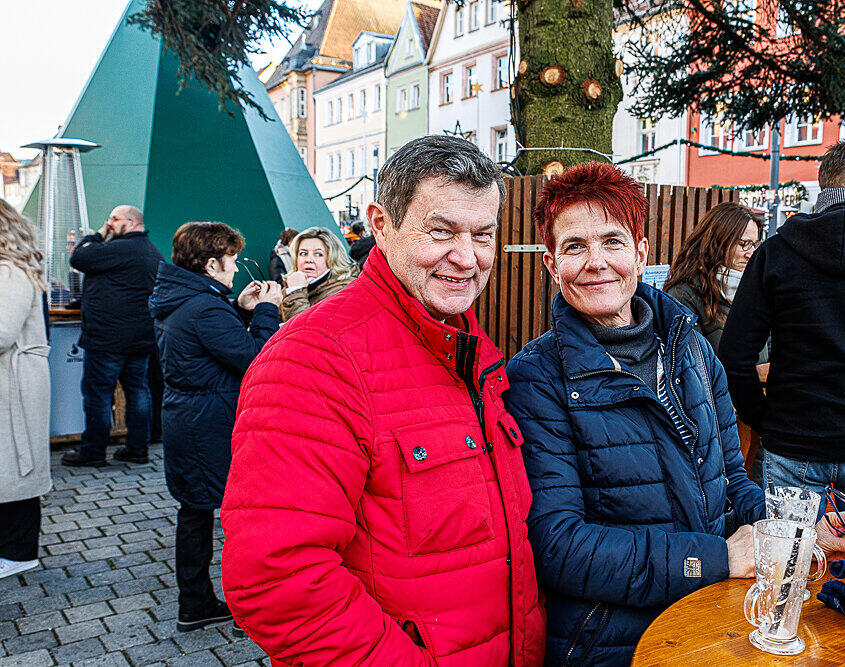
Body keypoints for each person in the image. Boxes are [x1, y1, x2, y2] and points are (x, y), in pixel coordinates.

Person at [505, 162, 845, 665]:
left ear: (640, 252)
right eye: (574, 247)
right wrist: (717, 559)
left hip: (711, 617)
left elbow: (732, 488)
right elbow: (560, 548)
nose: (596, 262)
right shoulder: (536, 378)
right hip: (613, 639)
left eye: (612, 241)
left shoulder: (691, 347)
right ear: (550, 264)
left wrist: (806, 535)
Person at [220, 135, 545, 666]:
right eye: (440, 231)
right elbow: (277, 577)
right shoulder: (316, 358)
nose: (466, 258)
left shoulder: (469, 351)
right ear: (381, 225)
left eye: (483, 235)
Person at [719, 139, 845, 517]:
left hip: (794, 439)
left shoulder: (776, 252)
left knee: (788, 566)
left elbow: (733, 357)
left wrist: (766, 420)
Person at [148, 222, 281, 632]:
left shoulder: (183, 296)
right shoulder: (203, 306)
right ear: (210, 264)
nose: (236, 268)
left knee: (195, 509)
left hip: (187, 417)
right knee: (233, 514)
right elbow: (255, 359)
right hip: (208, 421)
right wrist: (266, 311)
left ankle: (196, 601)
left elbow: (209, 342)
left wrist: (239, 307)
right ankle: (240, 604)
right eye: (232, 261)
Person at [63, 205, 164, 466]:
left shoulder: (121, 248)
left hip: (107, 339)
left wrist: (97, 234)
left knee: (98, 395)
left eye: (113, 219)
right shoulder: (151, 251)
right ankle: (137, 449)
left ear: (130, 223)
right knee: (138, 392)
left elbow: (79, 258)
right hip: (140, 339)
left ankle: (93, 452)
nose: (109, 223)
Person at [0, 199, 51, 579]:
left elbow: (2, 331)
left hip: (14, 381)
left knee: (17, 463)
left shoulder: (11, 271)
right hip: (9, 379)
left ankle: (19, 552)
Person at [664, 202, 763, 352]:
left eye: (754, 245)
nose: (751, 253)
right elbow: (693, 365)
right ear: (717, 242)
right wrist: (754, 373)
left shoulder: (756, 287)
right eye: (744, 244)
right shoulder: (684, 295)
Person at [279, 226, 359, 321]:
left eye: (318, 254)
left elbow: (306, 330)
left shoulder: (343, 292)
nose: (308, 260)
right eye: (303, 254)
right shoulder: (294, 284)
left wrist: (295, 292)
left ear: (333, 259)